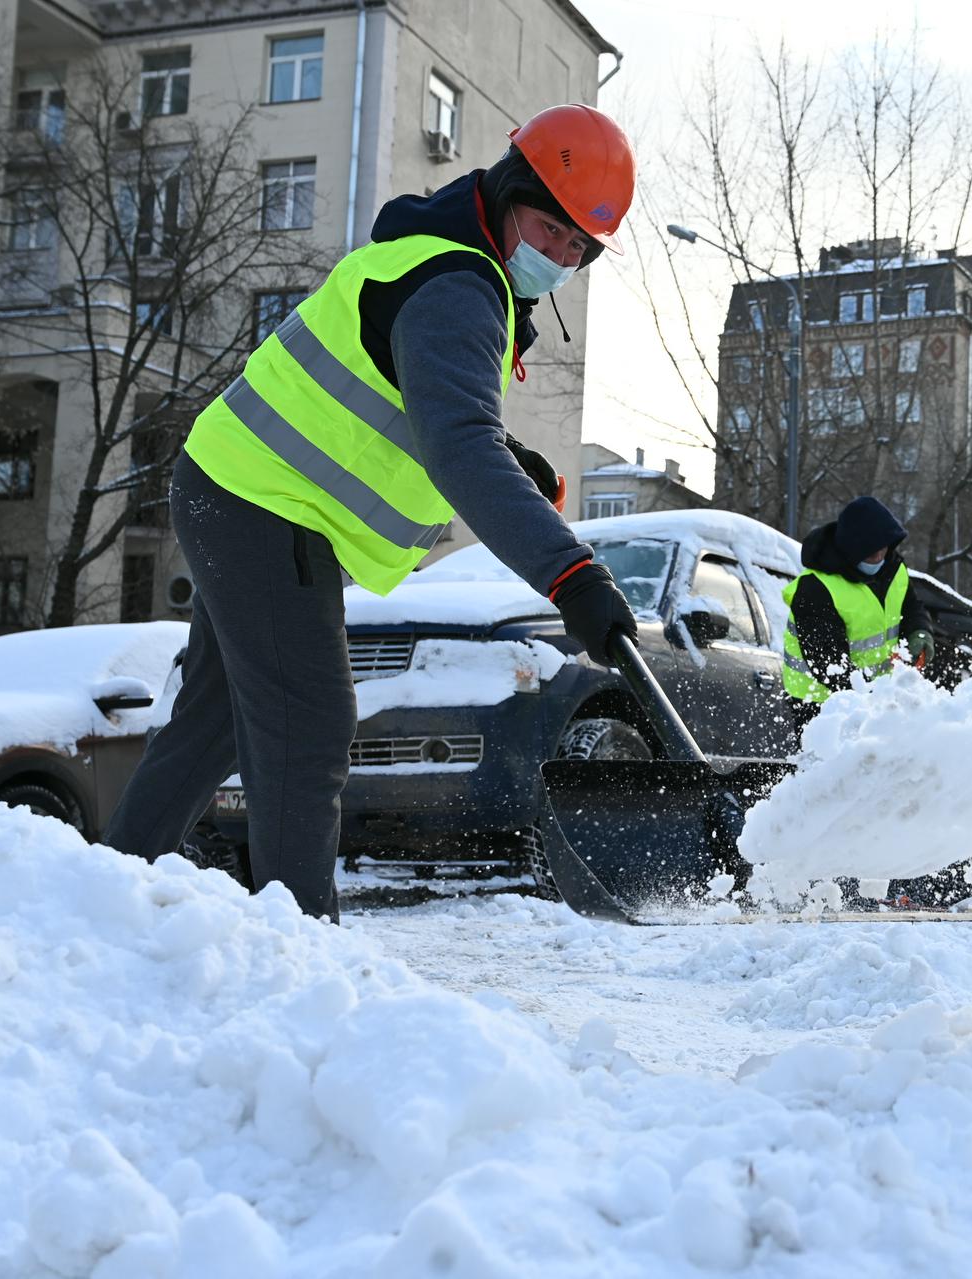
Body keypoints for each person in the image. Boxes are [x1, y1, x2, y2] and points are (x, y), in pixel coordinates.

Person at [102, 104, 641, 922]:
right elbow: (458, 445)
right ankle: (301, 953)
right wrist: (573, 575)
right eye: (552, 228)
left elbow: (418, 411)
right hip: (263, 504)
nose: (562, 254)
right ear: (509, 193)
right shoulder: (460, 285)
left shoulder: (443, 264)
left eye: (581, 247)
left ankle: (104, 896)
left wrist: (506, 460)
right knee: (310, 726)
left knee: (215, 719)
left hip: (236, 487)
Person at [780, 495, 935, 739]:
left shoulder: (893, 569)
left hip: (874, 698)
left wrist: (920, 632)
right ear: (852, 550)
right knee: (831, 772)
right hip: (821, 706)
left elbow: (912, 607)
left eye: (882, 550)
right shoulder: (816, 589)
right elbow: (829, 664)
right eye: (870, 554)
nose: (878, 558)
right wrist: (873, 698)